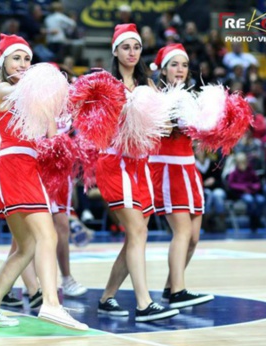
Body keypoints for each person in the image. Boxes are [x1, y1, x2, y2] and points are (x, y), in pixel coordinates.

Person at [0, 34, 87, 330]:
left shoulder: (31, 97)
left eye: (27, 58)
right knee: (47, 236)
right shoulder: (0, 90)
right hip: (13, 167)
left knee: (24, 248)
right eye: (16, 58)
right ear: (3, 63)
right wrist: (54, 90)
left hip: (27, 168)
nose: (23, 63)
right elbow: (28, 98)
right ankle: (51, 304)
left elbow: (52, 136)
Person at [96, 24, 179, 321]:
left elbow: (166, 127)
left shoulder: (148, 85)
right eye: (126, 47)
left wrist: (158, 118)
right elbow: (96, 128)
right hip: (114, 162)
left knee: (135, 236)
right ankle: (144, 303)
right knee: (137, 232)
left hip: (141, 165)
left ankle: (107, 298)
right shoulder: (105, 84)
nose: (132, 52)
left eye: (137, 47)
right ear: (115, 50)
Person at [148, 44, 214, 307]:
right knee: (182, 232)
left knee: (194, 237)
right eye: (174, 64)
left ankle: (170, 286)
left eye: (184, 65)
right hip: (166, 167)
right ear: (163, 69)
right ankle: (178, 291)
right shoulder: (155, 96)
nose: (180, 70)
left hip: (188, 167)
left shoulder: (191, 97)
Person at [227, 153, 266, 232]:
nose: (243, 165)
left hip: (253, 192)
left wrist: (253, 187)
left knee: (261, 200)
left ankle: (257, 218)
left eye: (244, 162)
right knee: (250, 200)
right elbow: (231, 184)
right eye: (240, 163)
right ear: (237, 164)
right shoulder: (233, 173)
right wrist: (243, 188)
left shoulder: (251, 171)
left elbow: (257, 183)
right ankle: (252, 221)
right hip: (241, 193)